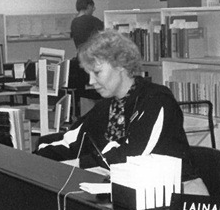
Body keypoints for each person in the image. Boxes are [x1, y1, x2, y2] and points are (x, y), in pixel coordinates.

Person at [36, 30, 208, 194]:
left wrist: (75, 164)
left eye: (97, 72)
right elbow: (71, 142)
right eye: (89, 73)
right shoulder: (104, 108)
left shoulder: (156, 100)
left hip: (177, 195)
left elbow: (129, 154)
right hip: (129, 195)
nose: (91, 81)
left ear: (120, 65)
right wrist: (36, 158)